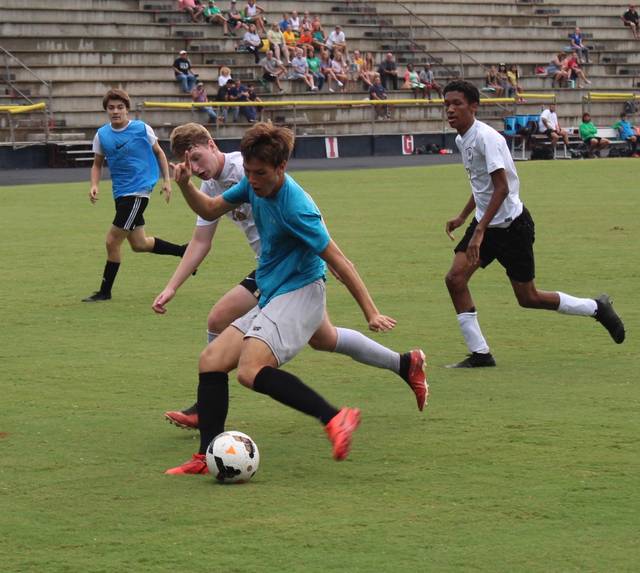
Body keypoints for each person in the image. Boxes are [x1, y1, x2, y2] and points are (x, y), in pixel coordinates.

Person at [163, 122, 428, 473]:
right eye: (250, 172)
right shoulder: (251, 183)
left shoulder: (297, 208)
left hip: (301, 289)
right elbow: (211, 209)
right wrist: (185, 185)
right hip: (274, 288)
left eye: (259, 173)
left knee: (250, 369)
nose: (252, 180)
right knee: (211, 360)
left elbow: (341, 262)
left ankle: (336, 418)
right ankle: (205, 455)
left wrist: (371, 312)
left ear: (281, 167)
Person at [441, 80, 625, 367]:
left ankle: (596, 307)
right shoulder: (462, 139)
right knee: (455, 279)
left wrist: (478, 231)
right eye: (447, 105)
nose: (450, 110)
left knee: (528, 297)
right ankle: (480, 353)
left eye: (457, 104)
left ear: (474, 106)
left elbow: (501, 189)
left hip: (513, 227)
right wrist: (464, 216)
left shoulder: (488, 138)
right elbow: (482, 185)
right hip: (487, 224)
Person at [83, 89, 187, 302]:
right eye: (111, 108)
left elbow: (159, 152)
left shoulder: (141, 129)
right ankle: (184, 252)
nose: (115, 111)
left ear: (127, 109)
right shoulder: (102, 135)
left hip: (138, 192)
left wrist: (167, 180)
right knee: (139, 244)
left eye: (120, 107)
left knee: (112, 241)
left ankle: (105, 292)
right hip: (120, 192)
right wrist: (94, 184)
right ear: (106, 110)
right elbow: (97, 163)